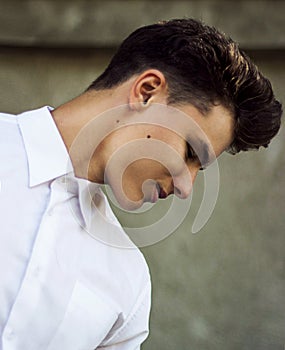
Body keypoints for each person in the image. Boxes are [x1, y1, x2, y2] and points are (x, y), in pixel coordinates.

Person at [0, 18, 282, 350]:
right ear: (147, 91)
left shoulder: (127, 283)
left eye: (199, 169)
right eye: (191, 152)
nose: (186, 187)